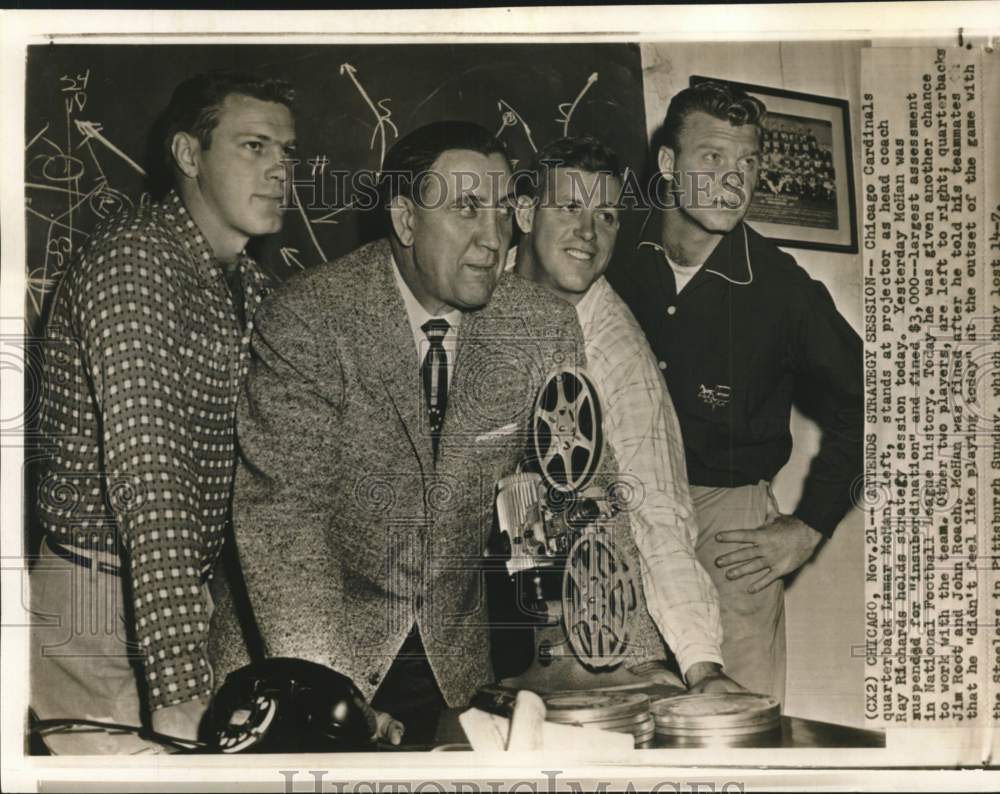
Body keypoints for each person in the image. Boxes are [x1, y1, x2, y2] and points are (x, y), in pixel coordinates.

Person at [209, 121, 585, 745]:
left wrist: (603, 657)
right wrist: (332, 700)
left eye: (502, 210)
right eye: (466, 208)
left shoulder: (542, 327)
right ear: (406, 221)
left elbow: (572, 493)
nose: (493, 238)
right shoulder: (310, 316)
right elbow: (286, 523)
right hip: (305, 655)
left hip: (455, 667)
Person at [30, 71, 296, 752]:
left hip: (179, 597)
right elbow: (152, 483)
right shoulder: (134, 265)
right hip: (98, 603)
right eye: (254, 147)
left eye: (287, 153)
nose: (279, 172)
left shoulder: (249, 287)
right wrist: (181, 686)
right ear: (188, 154)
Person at [610, 81, 863, 702]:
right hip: (616, 508)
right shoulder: (611, 252)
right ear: (668, 164)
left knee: (736, 722)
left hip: (728, 526)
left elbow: (880, 402)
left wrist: (810, 526)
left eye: (747, 162)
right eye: (713, 158)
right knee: (621, 712)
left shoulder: (783, 290)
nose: (733, 180)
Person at [511, 136, 741, 694]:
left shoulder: (617, 350)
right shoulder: (477, 290)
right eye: (570, 207)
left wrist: (702, 665)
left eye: (607, 215)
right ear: (523, 211)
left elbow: (658, 509)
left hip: (595, 636)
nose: (588, 233)